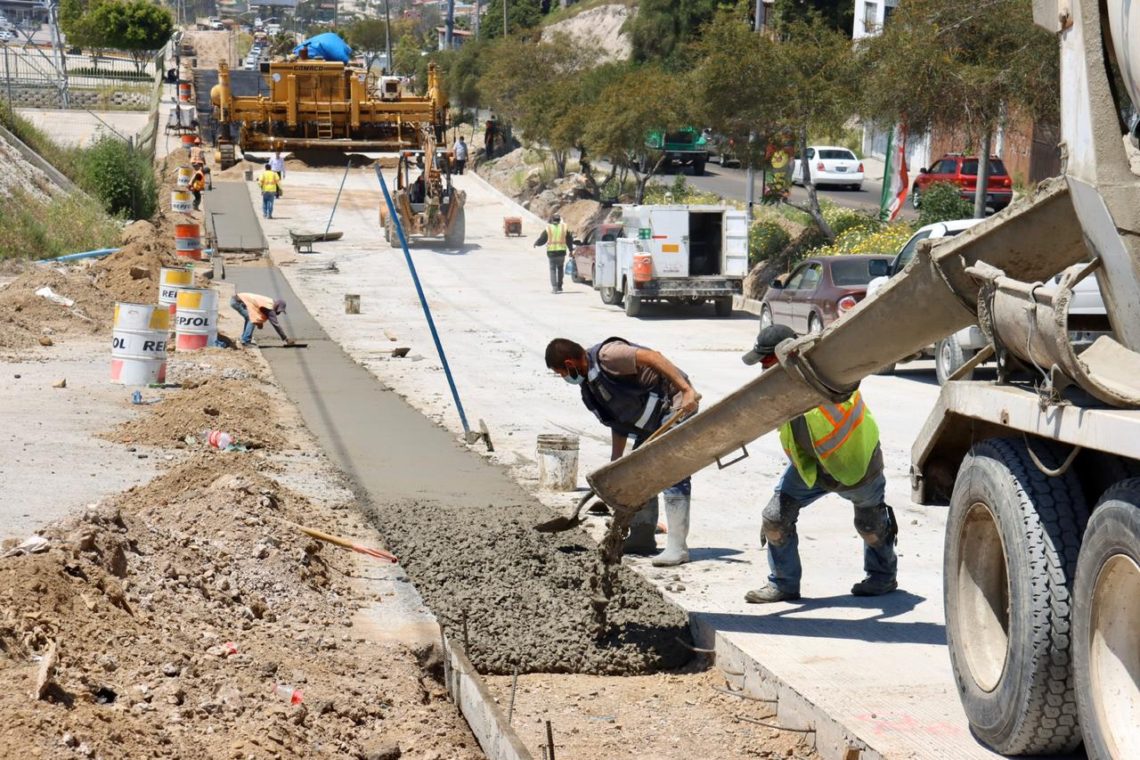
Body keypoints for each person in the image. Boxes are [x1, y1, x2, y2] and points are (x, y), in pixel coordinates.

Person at [741, 324, 899, 603]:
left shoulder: (828, 377)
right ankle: (784, 583)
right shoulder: (781, 390)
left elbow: (852, 366)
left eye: (767, 363)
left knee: (870, 525)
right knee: (775, 518)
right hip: (811, 466)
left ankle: (882, 577)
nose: (763, 372)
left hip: (856, 462)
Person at [546, 337, 701, 566]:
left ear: (570, 363)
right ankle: (642, 538)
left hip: (675, 403)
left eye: (561, 373)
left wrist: (687, 391)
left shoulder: (609, 356)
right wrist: (616, 463)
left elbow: (653, 356)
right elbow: (618, 424)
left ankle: (678, 548)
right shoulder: (590, 387)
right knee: (635, 471)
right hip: (652, 421)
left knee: (670, 471)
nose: (564, 378)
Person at [532, 214, 574, 294]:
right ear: (559, 220)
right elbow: (569, 239)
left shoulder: (549, 228)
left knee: (552, 270)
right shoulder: (564, 228)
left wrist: (537, 243)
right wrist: (571, 250)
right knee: (560, 269)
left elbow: (542, 239)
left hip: (551, 253)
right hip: (561, 252)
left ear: (552, 220)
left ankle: (554, 288)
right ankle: (560, 286)